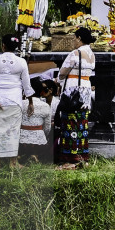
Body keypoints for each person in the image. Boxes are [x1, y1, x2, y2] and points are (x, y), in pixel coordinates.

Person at [0, 34, 30, 168]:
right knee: (13, 131)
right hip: (15, 99)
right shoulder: (21, 62)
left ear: (3, 45)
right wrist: (31, 101)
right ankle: (12, 162)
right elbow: (26, 85)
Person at [54, 27, 96, 168]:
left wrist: (58, 80)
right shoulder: (91, 54)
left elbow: (62, 73)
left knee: (70, 123)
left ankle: (70, 159)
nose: (73, 41)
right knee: (82, 123)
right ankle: (83, 156)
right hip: (85, 91)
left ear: (79, 38)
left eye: (74, 38)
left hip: (73, 92)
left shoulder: (75, 53)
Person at [20, 80, 54, 164]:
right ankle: (34, 155)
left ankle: (23, 155)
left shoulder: (20, 104)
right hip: (39, 142)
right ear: (42, 92)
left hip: (21, 141)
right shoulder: (45, 106)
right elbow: (47, 127)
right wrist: (43, 136)